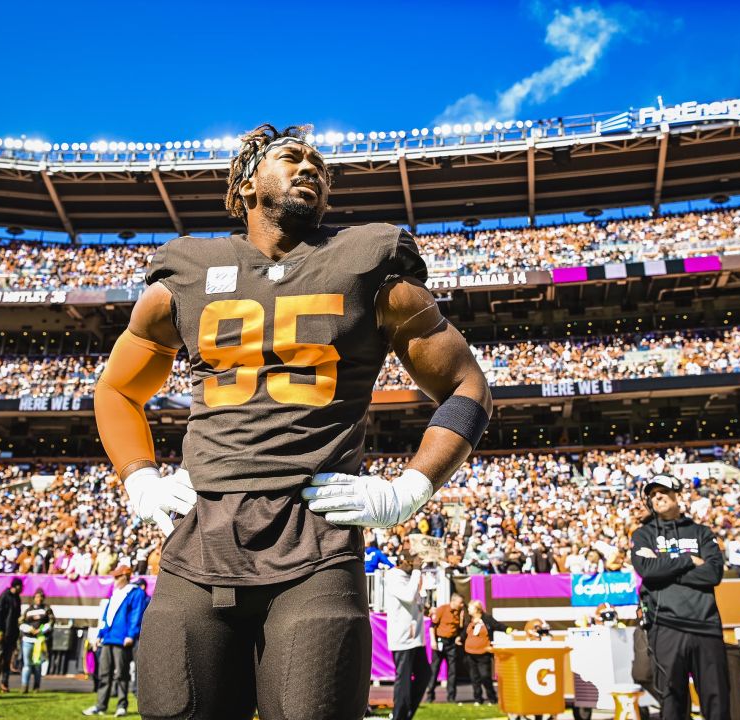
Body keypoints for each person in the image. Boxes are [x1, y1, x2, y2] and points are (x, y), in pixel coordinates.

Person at [97, 123, 492, 720]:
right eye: (292, 158)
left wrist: (409, 490)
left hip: (316, 543)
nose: (311, 167)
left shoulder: (369, 263)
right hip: (198, 540)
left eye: (318, 164)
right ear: (247, 182)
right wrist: (138, 477)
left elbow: (466, 386)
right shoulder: (187, 272)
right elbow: (118, 389)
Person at [630, 474, 729, 720]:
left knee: (717, 700)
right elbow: (647, 571)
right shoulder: (643, 535)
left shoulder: (701, 533)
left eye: (663, 491)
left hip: (706, 626)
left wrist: (666, 569)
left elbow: (713, 574)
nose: (657, 497)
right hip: (666, 627)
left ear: (678, 495)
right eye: (652, 494)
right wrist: (688, 560)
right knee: (672, 702)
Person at [84, 566, 146, 717]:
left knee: (121, 674)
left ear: (126, 576)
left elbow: (136, 614)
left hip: (122, 639)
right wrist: (100, 634)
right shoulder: (115, 593)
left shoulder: (136, 593)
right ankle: (100, 706)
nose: (115, 579)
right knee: (104, 673)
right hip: (108, 638)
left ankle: (122, 705)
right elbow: (107, 616)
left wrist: (131, 634)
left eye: (118, 577)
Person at [383, 543, 431, 720]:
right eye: (415, 563)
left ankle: (406, 714)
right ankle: (399, 716)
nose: (418, 566)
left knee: (425, 674)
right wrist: (417, 571)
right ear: (406, 562)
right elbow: (408, 596)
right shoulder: (393, 575)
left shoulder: (411, 576)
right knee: (403, 681)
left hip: (416, 638)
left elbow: (415, 601)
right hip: (403, 638)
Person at [425, 593, 467, 703]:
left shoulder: (460, 612)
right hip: (440, 641)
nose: (462, 604)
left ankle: (451, 697)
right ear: (453, 602)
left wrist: (462, 620)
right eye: (460, 602)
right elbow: (432, 626)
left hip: (451, 643)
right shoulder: (442, 609)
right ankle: (430, 696)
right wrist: (433, 640)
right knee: (434, 669)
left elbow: (461, 628)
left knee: (452, 670)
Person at [0, 578, 23, 692]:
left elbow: (16, 617)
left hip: (12, 633)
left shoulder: (17, 598)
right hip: (3, 632)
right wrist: (0, 631)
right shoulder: (4, 596)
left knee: (7, 660)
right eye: (20, 586)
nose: (22, 588)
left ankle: (4, 684)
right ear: (15, 586)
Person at [463, 601, 504, 705]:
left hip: (483, 654)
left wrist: (509, 630)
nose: (468, 610)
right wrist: (460, 637)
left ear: (477, 609)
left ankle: (492, 699)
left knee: (485, 676)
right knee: (474, 678)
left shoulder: (486, 619)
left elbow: (498, 625)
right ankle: (478, 699)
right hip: (470, 654)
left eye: (470, 608)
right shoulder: (469, 619)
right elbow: (466, 632)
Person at [19, 588, 55, 693]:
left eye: (41, 597)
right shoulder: (28, 610)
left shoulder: (46, 609)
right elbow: (21, 622)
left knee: (37, 664)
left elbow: (51, 622)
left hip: (39, 641)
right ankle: (24, 686)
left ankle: (36, 687)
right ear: (34, 598)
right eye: (37, 597)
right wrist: (29, 629)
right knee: (27, 664)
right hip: (27, 640)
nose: (39, 599)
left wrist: (41, 630)